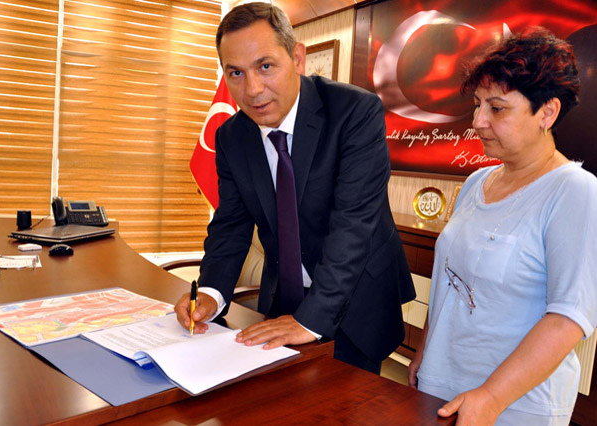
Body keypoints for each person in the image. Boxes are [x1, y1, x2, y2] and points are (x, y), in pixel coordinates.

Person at [174, 2, 414, 374]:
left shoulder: (355, 112)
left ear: (298, 58)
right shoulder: (231, 136)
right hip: (283, 299)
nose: (253, 89)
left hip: (358, 297)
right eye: (235, 73)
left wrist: (311, 320)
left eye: (265, 66)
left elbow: (352, 226)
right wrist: (211, 292)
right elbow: (231, 225)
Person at [408, 27, 597, 425]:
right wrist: (424, 352)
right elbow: (450, 280)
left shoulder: (574, 191)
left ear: (547, 112)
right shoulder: (477, 182)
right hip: (441, 383)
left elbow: (568, 317)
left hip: (513, 404)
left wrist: (491, 397)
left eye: (497, 108)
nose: (478, 121)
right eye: (477, 105)